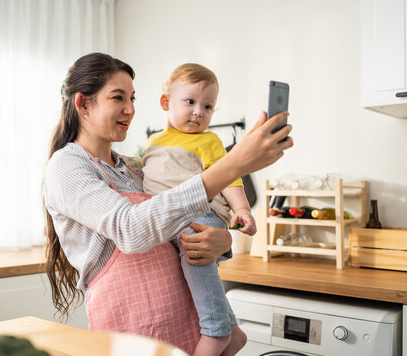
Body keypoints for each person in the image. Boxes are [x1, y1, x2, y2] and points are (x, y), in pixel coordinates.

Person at [42, 53, 292, 355]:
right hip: (134, 326)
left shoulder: (138, 168)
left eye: (133, 98)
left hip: (184, 319)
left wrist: (222, 239)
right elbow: (130, 228)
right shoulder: (67, 166)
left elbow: (185, 218)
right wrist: (233, 163)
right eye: (118, 97)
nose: (131, 109)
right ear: (83, 104)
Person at [142, 63, 256, 356]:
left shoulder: (209, 140)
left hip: (198, 220)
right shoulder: (153, 142)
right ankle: (232, 332)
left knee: (198, 270)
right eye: (190, 102)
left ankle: (216, 332)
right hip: (170, 219)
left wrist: (242, 208)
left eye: (207, 107)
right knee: (205, 280)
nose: (198, 112)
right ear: (166, 103)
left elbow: (229, 175)